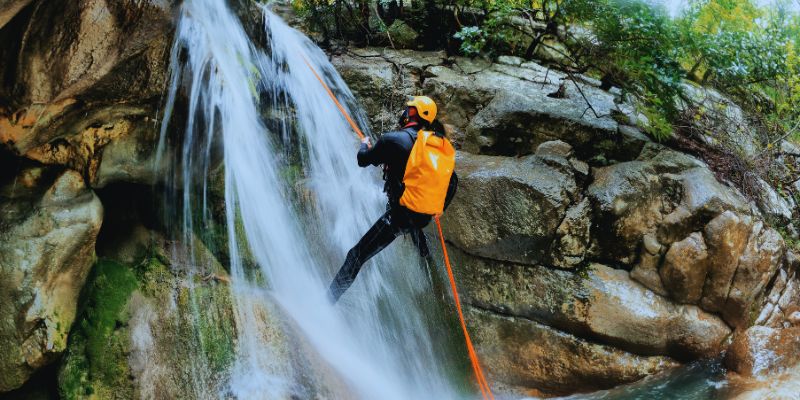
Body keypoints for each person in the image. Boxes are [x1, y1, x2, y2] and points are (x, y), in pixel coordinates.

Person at [329, 96, 458, 303]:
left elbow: (363, 160)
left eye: (408, 108)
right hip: (423, 215)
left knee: (356, 255)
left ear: (413, 113)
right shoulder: (435, 147)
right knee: (414, 222)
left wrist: (364, 145)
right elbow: (452, 181)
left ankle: (327, 303)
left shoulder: (394, 140)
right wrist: (440, 208)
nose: (404, 111)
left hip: (400, 215)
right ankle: (424, 254)